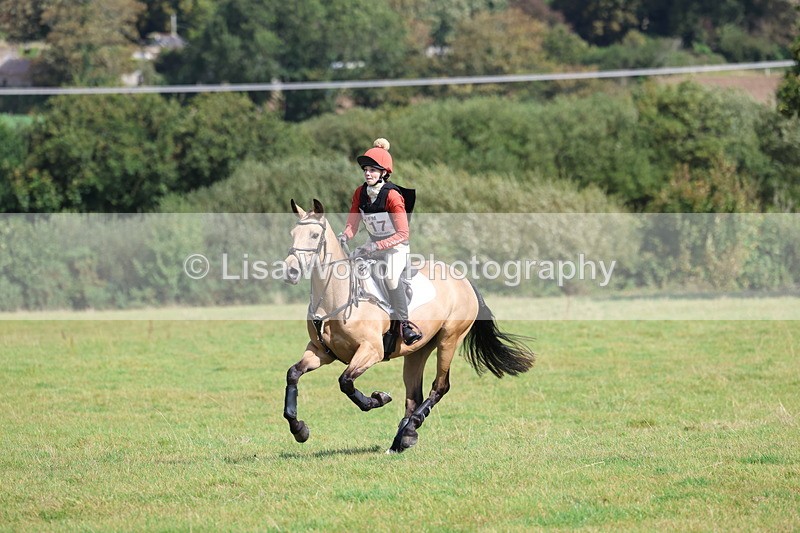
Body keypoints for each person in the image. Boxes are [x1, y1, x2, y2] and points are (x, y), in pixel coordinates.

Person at [338, 138, 422, 346]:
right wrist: (344, 236)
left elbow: (403, 233)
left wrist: (376, 246)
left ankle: (404, 325)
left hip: (396, 247)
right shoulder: (360, 193)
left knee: (391, 277)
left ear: (384, 172)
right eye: (366, 169)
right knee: (351, 270)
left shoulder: (392, 195)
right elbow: (353, 223)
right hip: (372, 243)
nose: (368, 173)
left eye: (373, 170)